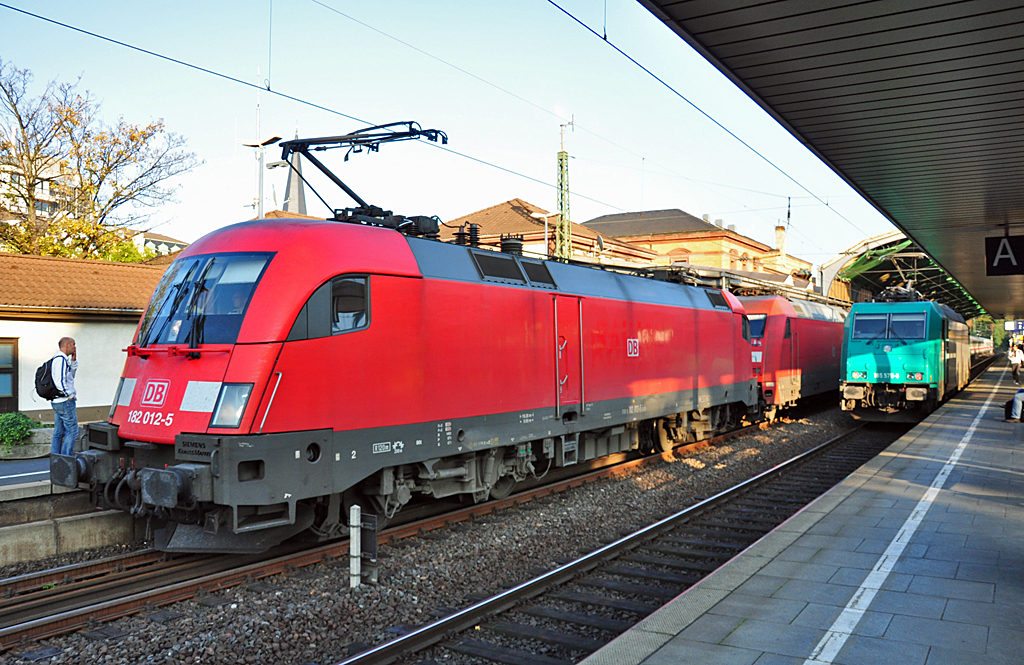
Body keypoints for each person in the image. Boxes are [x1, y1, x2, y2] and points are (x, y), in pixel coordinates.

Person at [50, 337, 78, 457]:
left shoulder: (61, 359)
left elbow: (70, 377)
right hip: (65, 401)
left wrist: (73, 361)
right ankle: (67, 459)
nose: (74, 347)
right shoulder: (60, 360)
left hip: (57, 401)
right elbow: (59, 381)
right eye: (73, 344)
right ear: (67, 345)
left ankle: (55, 458)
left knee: (59, 432)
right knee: (72, 430)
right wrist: (68, 394)